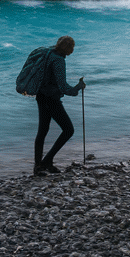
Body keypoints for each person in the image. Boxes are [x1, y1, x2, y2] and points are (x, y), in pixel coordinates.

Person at [34, 35, 86, 175]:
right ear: (68, 48)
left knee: (42, 131)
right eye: (72, 47)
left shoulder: (49, 52)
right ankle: (46, 161)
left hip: (41, 96)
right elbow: (63, 87)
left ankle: (39, 166)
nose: (73, 50)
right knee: (68, 130)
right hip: (51, 99)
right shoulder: (58, 61)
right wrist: (78, 87)